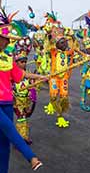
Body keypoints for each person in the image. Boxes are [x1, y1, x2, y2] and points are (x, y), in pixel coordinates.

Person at [0, 10, 44, 173]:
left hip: (6, 102)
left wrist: (41, 76)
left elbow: (20, 75)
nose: (6, 42)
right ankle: (31, 157)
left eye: (8, 40)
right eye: (4, 39)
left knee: (3, 144)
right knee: (11, 130)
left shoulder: (7, 58)